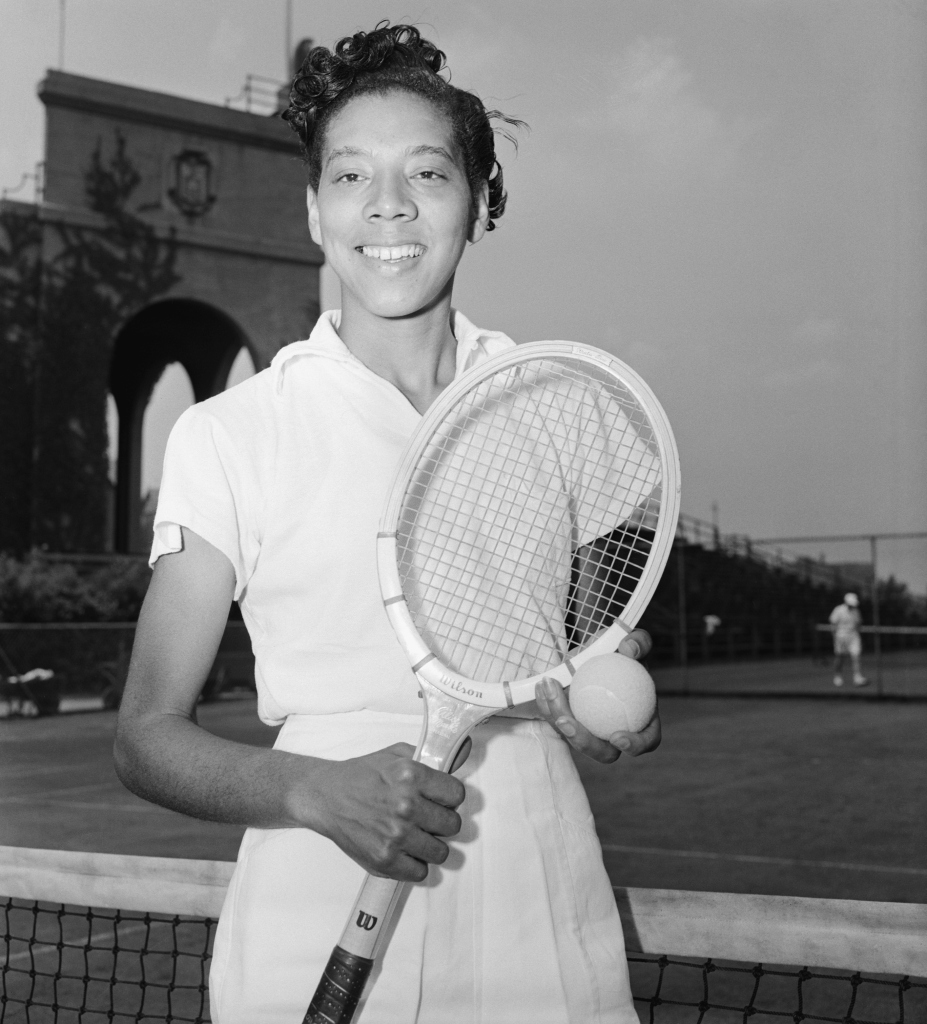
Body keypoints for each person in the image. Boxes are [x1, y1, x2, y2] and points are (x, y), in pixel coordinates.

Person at [114, 24, 659, 1023]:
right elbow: (145, 737)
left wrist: (591, 698)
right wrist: (314, 792)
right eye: (353, 176)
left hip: (539, 880)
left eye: (429, 172)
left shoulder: (559, 401)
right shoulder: (230, 433)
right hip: (314, 881)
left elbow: (588, 647)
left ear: (480, 201)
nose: (390, 206)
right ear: (315, 211)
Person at [829, 592, 868, 687]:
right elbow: (833, 624)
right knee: (840, 657)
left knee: (856, 656)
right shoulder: (838, 610)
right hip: (841, 636)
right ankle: (837, 676)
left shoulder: (856, 611)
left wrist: (857, 634)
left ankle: (857, 677)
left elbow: (859, 624)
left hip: (853, 635)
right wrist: (835, 637)